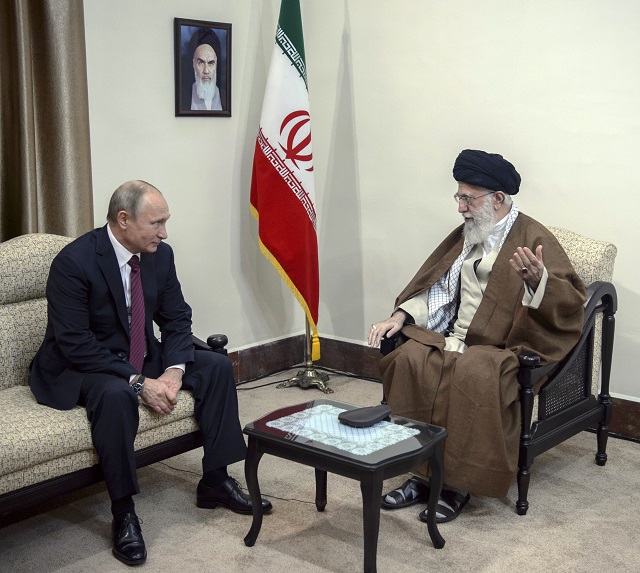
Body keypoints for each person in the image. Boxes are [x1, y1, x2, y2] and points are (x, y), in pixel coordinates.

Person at [29, 181, 271, 566]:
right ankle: (123, 512)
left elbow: (176, 318)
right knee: (115, 394)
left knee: (216, 367)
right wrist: (138, 381)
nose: (164, 232)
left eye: (165, 222)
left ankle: (215, 480)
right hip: (82, 364)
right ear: (123, 220)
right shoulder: (74, 262)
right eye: (156, 223)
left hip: (139, 355)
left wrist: (174, 370)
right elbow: (76, 343)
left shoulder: (160, 255)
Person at [368, 150, 585, 524]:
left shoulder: (533, 237)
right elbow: (440, 285)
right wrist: (402, 315)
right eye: (459, 197)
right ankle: (419, 475)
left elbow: (571, 302)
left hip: (505, 346)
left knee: (474, 375)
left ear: (497, 199)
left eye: (468, 198)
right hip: (455, 337)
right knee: (408, 362)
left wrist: (539, 282)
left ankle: (457, 486)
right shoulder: (470, 232)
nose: (461, 207)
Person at [188, 28, 223, 111]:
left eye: (211, 63)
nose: (206, 71)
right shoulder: (183, 98)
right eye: (201, 63)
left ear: (216, 64)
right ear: (193, 64)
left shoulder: (225, 97)